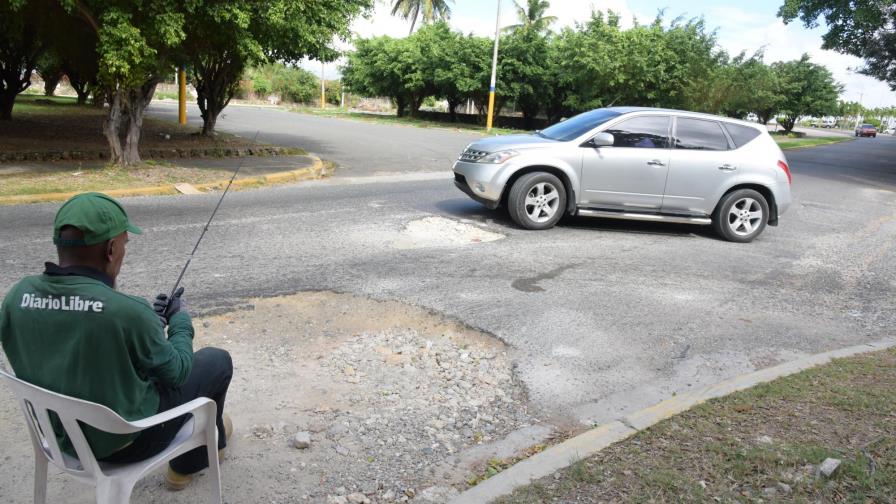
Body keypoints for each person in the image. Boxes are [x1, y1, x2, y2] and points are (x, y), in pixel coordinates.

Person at [0, 192, 233, 490]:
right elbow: (178, 372)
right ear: (111, 249)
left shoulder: (17, 296)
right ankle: (191, 462)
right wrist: (180, 322)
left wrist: (149, 324)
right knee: (216, 360)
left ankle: (210, 440)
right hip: (127, 443)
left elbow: (74, 330)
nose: (123, 251)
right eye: (124, 243)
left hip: (59, 438)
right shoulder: (126, 312)